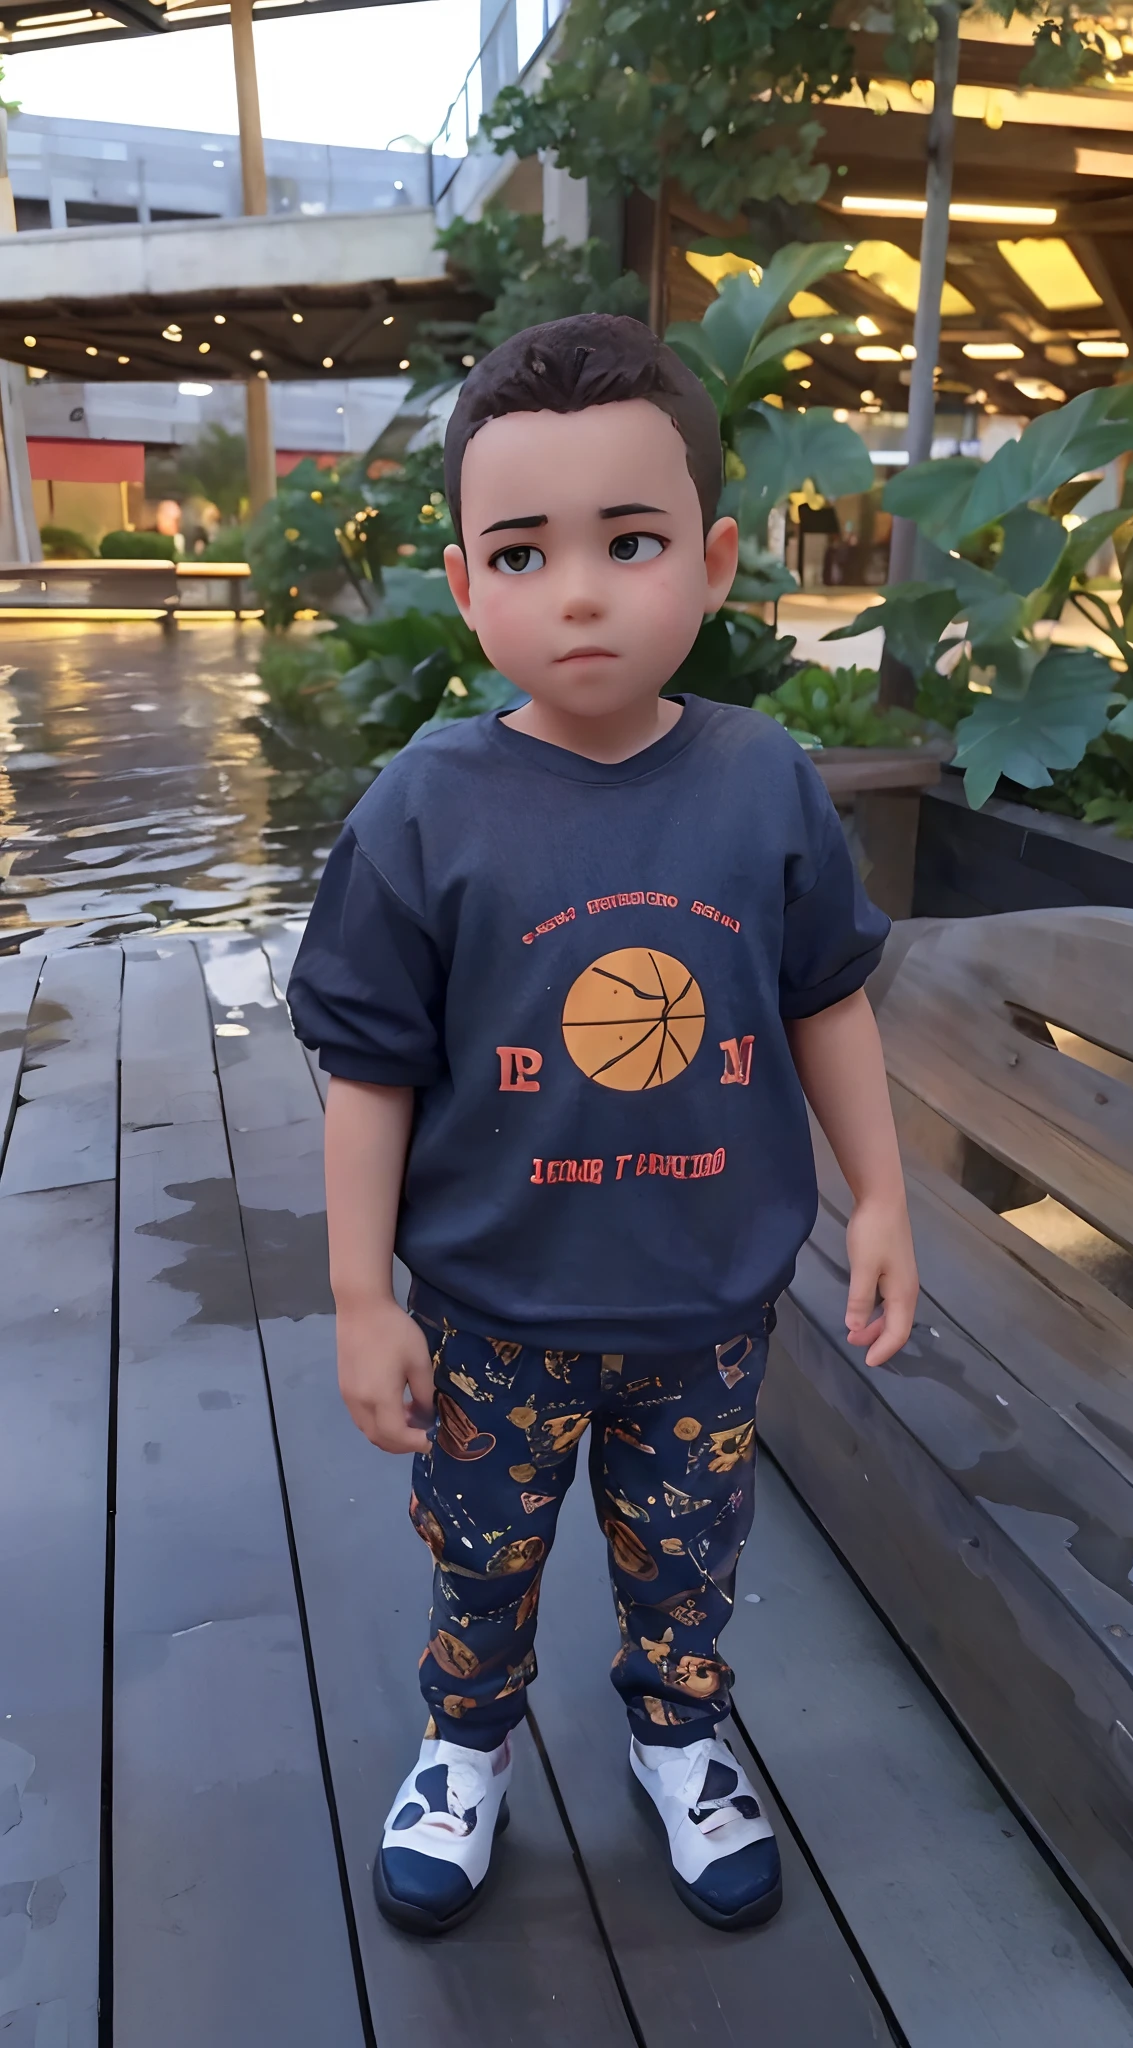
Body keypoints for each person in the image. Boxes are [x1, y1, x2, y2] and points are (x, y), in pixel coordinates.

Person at [287, 313, 919, 1939]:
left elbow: (824, 1001)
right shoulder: (422, 809)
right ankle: (463, 1740)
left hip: (708, 1310)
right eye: (526, 550)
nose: (580, 590)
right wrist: (364, 1298)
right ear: (465, 583)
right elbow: (368, 1068)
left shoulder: (764, 780)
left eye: (628, 541)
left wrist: (884, 1201)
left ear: (712, 561)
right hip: (495, 1311)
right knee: (480, 1554)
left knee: (688, 1556)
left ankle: (680, 1735)